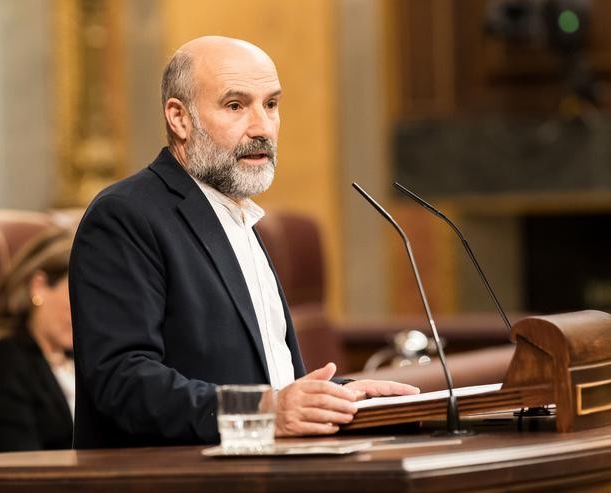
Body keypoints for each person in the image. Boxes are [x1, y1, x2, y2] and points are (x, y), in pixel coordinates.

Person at [69, 35, 418, 448]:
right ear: (179, 118)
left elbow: (263, 381)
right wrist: (269, 410)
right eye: (236, 106)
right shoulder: (126, 215)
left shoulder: (239, 217)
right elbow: (122, 382)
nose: (262, 128)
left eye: (271, 105)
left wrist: (336, 396)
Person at [0, 228, 75, 453]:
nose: (90, 313)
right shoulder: (4, 361)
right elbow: (20, 465)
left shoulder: (80, 355)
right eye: (78, 295)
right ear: (39, 287)